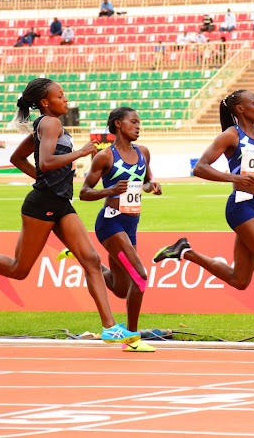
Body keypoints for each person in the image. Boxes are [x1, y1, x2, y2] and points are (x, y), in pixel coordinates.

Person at [0, 78, 142, 347]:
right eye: (60, 96)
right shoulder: (50, 123)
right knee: (19, 269)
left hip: (61, 203)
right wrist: (79, 153)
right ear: (44, 102)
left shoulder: (47, 124)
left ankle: (109, 327)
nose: (66, 100)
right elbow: (47, 162)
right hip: (42, 205)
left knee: (90, 259)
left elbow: (17, 158)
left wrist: (42, 177)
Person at [153, 90, 254, 357]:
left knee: (239, 279)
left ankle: (184, 251)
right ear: (240, 109)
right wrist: (234, 178)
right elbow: (200, 168)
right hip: (241, 207)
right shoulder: (231, 136)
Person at [59, 107, 161, 352]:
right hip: (110, 222)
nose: (138, 126)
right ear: (118, 124)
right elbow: (84, 193)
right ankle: (132, 338)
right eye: (133, 122)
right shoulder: (105, 156)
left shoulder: (143, 152)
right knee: (141, 277)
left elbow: (145, 181)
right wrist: (110, 191)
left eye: (139, 122)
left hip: (131, 224)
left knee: (120, 287)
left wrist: (151, 186)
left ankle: (86, 261)